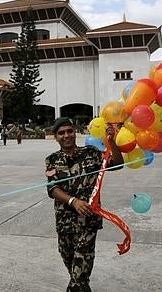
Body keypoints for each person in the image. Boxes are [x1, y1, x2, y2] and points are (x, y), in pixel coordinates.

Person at [45, 117, 123, 292]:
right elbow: (52, 189)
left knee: (79, 274)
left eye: (69, 131)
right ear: (56, 137)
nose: (66, 135)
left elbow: (117, 164)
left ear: (75, 132)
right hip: (65, 223)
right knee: (72, 264)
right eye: (61, 133)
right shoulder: (51, 160)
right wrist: (73, 201)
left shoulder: (92, 153)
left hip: (88, 221)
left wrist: (112, 142)